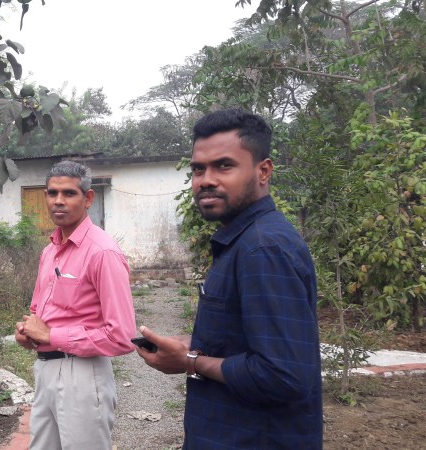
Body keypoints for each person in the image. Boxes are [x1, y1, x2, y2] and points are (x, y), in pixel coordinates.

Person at [135, 109, 322, 449]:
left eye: (224, 166)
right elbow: (253, 341)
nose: (206, 180)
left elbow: (283, 375)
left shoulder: (263, 248)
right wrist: (198, 342)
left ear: (263, 171)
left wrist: (190, 361)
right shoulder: (242, 241)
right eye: (198, 169)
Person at [15, 160, 136, 450]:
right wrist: (29, 332)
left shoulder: (102, 252)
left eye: (69, 193)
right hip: (45, 370)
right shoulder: (50, 251)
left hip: (81, 374)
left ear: (88, 198)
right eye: (52, 193)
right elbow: (39, 313)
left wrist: (52, 335)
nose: (58, 201)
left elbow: (122, 336)